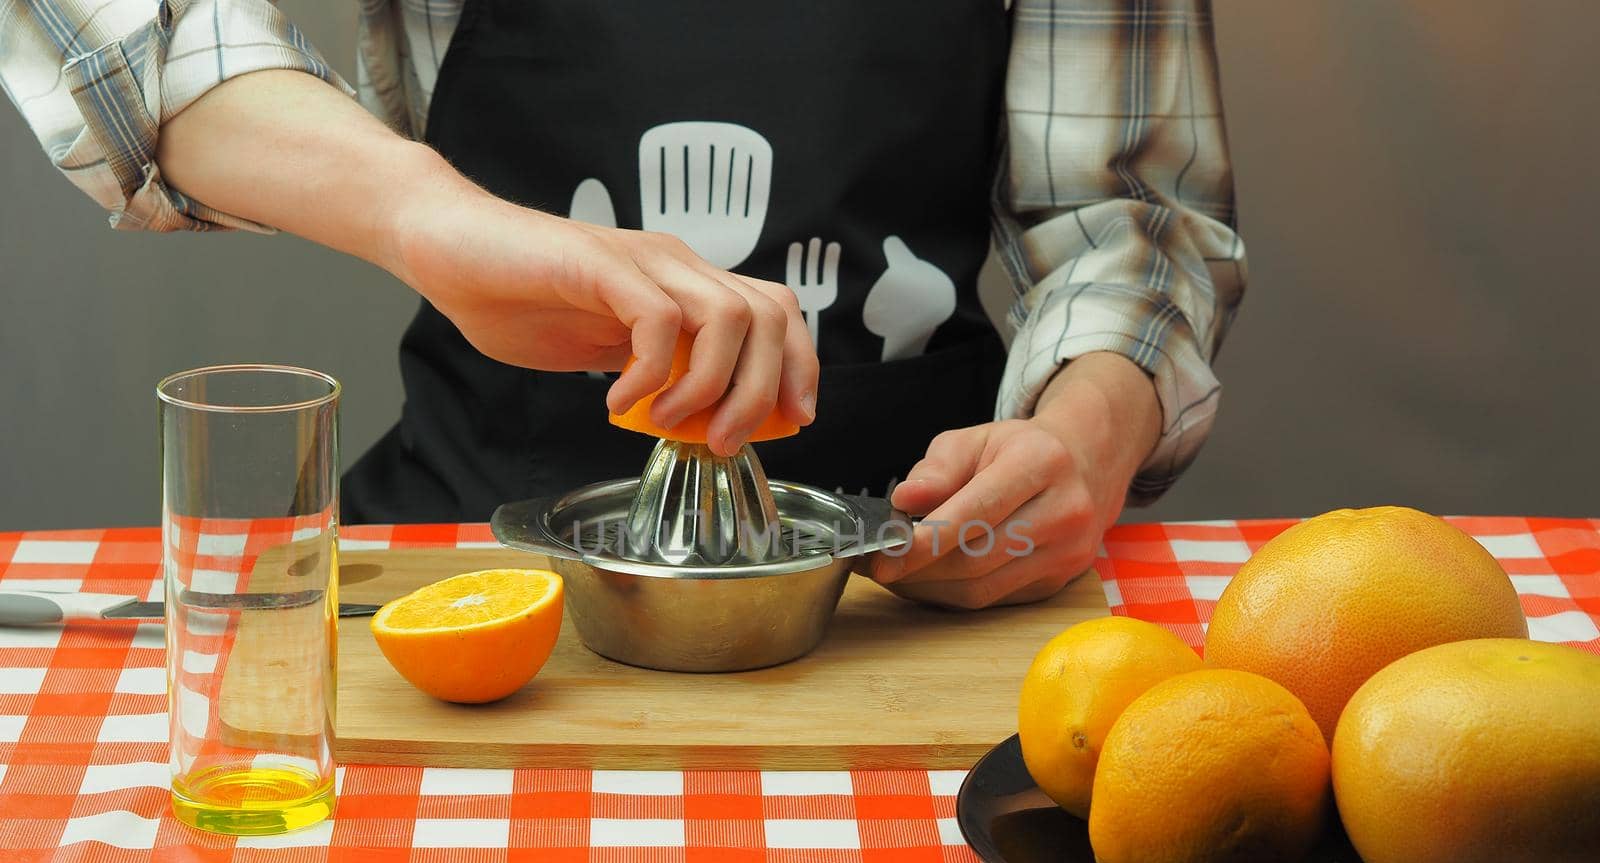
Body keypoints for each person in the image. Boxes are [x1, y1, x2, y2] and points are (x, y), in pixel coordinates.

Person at [1, 0, 1245, 609]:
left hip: (913, 588)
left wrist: (1085, 431)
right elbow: (125, 29)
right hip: (465, 555)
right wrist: (436, 221)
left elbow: (1129, 216)